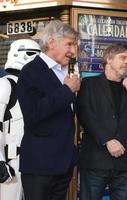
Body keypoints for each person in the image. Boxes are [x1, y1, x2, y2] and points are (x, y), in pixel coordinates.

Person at [16, 20, 81, 200]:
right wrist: (67, 90)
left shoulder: (65, 72)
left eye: (75, 45)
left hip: (63, 165)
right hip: (39, 166)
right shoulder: (30, 71)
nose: (73, 51)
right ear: (51, 42)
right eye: (69, 44)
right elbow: (33, 114)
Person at [77, 43, 127, 200]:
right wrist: (107, 140)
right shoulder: (89, 84)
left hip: (124, 163)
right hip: (96, 160)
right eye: (123, 58)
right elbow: (85, 115)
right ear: (108, 59)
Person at [0, 39, 40, 200]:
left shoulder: (35, 87)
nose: (35, 59)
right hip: (12, 160)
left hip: (34, 160)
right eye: (31, 54)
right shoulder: (5, 84)